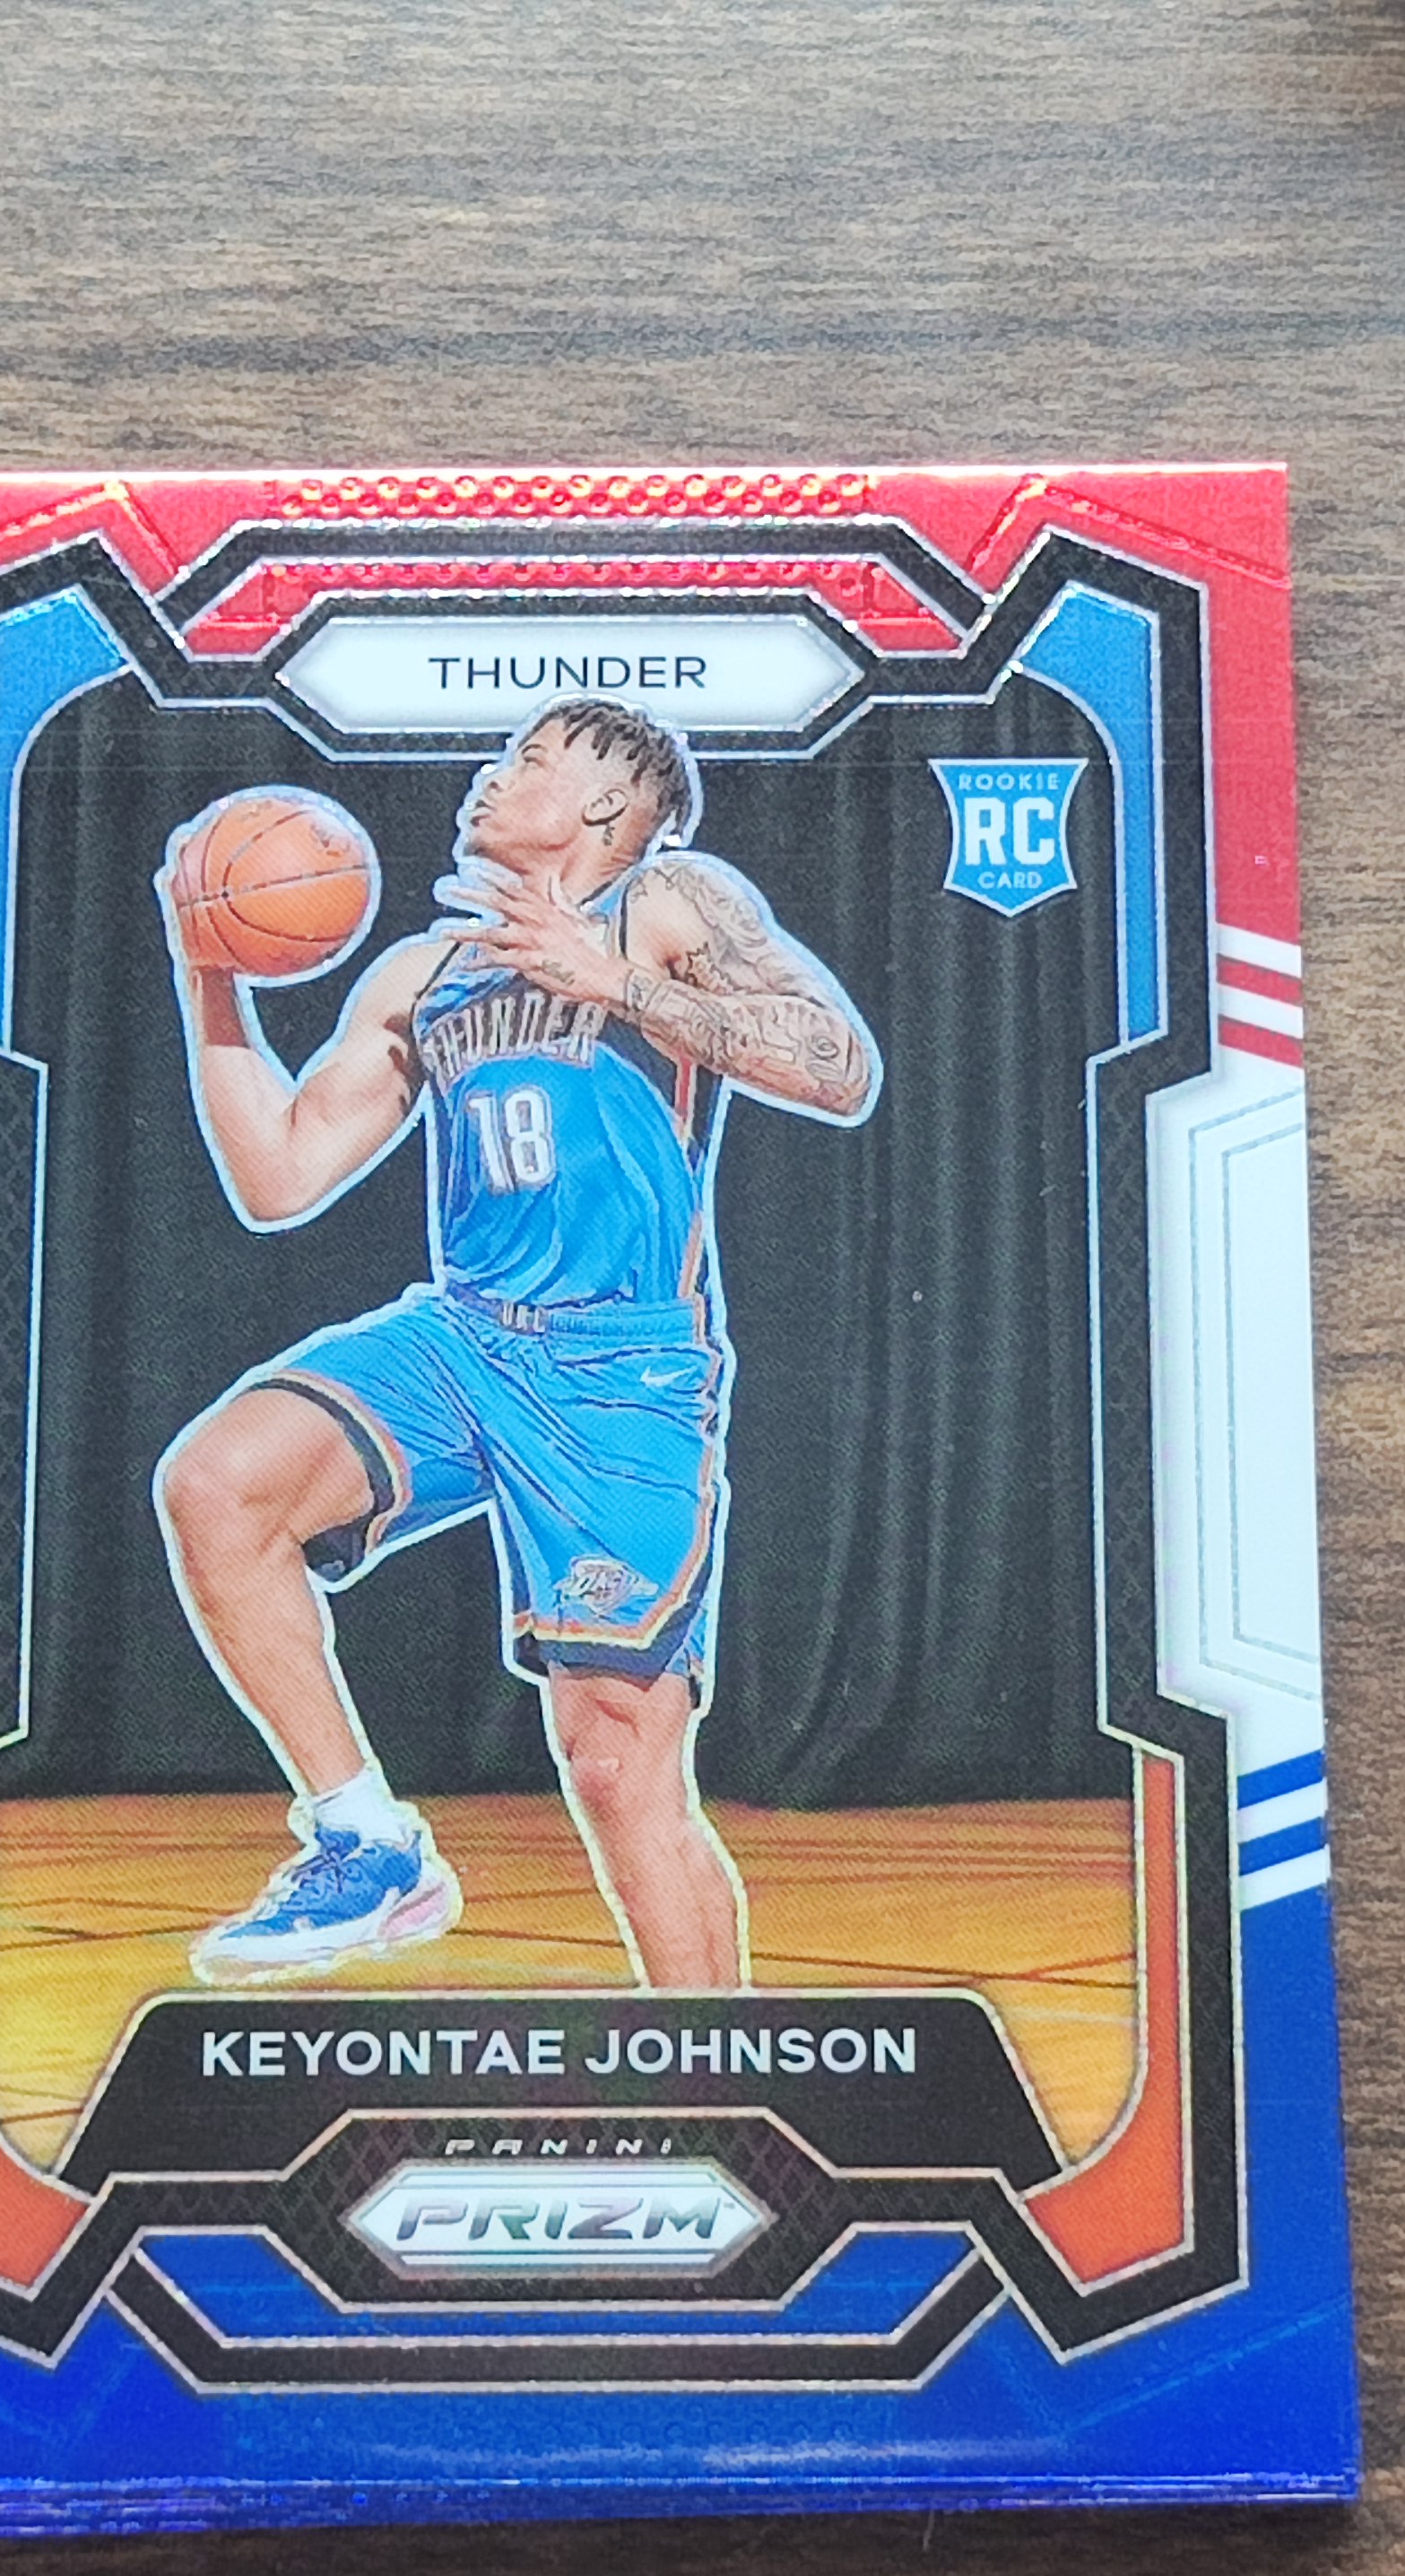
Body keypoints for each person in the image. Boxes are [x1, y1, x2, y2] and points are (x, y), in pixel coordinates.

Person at [153, 697, 879, 1989]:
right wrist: (208, 974)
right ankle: (365, 1839)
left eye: (530, 760)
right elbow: (278, 1176)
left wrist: (618, 984)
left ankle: (716, 2068)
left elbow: (839, 1067)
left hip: (620, 1369)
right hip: (464, 1336)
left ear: (607, 806)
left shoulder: (667, 903)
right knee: (217, 1483)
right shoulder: (423, 974)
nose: (492, 777)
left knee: (613, 1762)